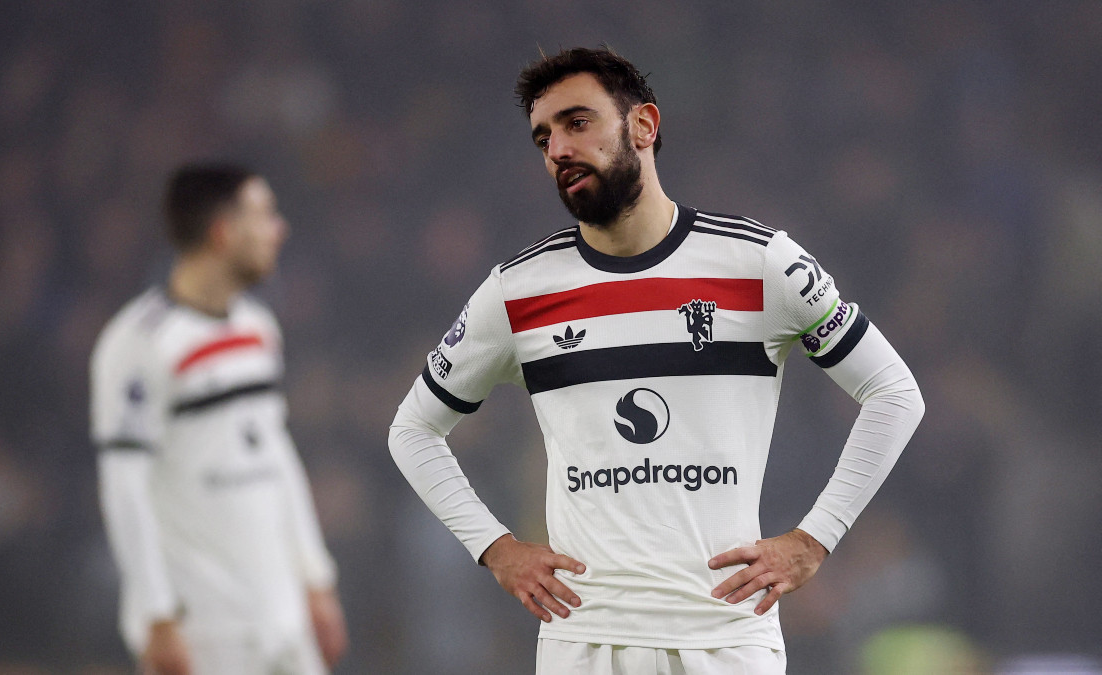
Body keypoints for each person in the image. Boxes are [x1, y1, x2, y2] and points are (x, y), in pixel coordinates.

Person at [388, 47, 924, 674]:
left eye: (577, 122)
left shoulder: (760, 263)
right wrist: (496, 549)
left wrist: (814, 539)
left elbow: (894, 393)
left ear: (643, 125)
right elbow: (413, 429)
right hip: (584, 642)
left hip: (728, 640)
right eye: (544, 137)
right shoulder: (519, 291)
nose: (558, 149)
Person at [91, 164, 348, 675]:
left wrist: (315, 578)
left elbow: (275, 454)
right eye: (264, 215)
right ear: (223, 232)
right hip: (204, 630)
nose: (279, 229)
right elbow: (124, 486)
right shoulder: (137, 343)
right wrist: (156, 615)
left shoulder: (258, 326)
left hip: (280, 613)